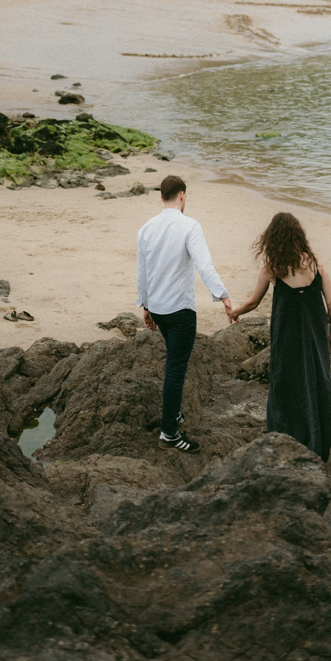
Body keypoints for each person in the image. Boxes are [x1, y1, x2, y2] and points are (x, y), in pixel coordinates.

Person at [229, 211, 331, 461]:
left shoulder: (271, 269)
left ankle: (286, 441)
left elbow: (252, 303)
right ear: (299, 235)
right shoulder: (317, 263)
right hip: (314, 338)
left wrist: (235, 312)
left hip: (286, 338)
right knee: (316, 383)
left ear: (272, 239)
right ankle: (317, 442)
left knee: (285, 387)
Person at [136, 174, 233, 453]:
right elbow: (205, 265)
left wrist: (145, 306)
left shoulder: (146, 228)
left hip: (158, 309)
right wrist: (224, 297)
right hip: (180, 311)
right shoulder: (190, 226)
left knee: (174, 363)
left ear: (161, 196)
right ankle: (169, 433)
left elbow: (142, 271)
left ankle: (173, 412)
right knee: (175, 370)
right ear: (182, 195)